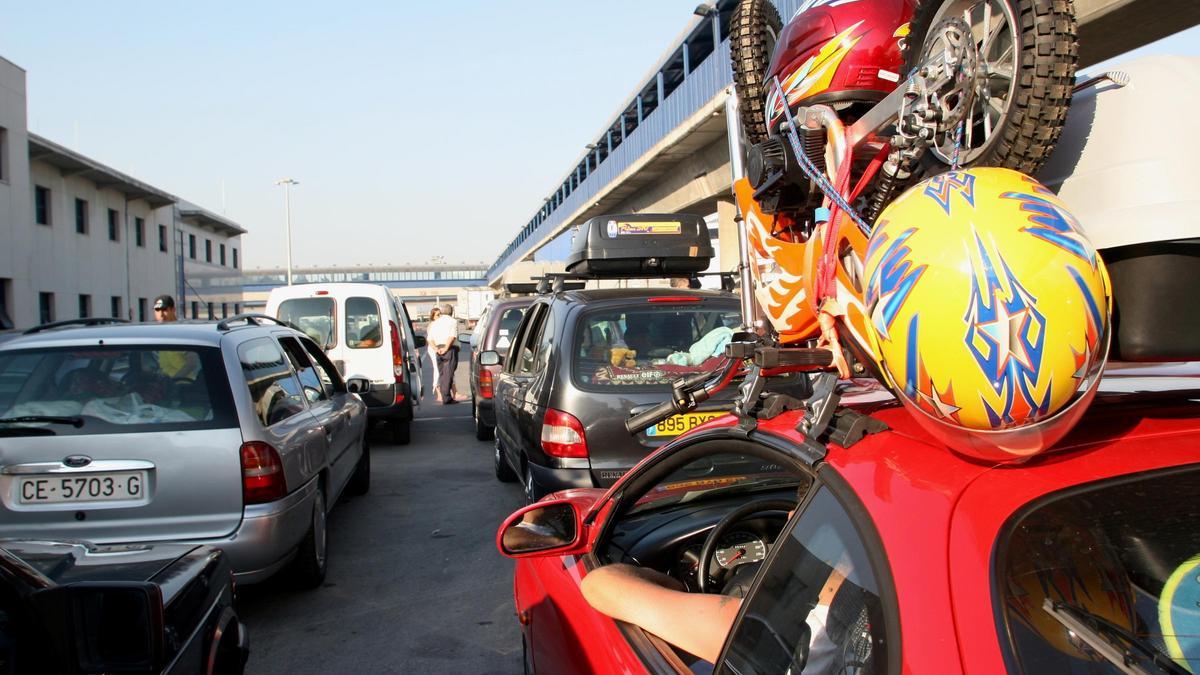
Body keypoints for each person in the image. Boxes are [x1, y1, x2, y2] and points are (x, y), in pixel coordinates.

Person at [427, 303, 463, 404]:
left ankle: (444, 396)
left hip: (438, 349)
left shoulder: (435, 322)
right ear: (452, 312)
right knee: (449, 373)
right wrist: (446, 348)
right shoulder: (453, 321)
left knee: (442, 373)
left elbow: (429, 339)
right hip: (449, 349)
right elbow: (452, 336)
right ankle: (446, 397)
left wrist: (436, 349)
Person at [426, 307, 442, 402]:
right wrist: (436, 349)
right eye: (437, 315)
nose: (439, 316)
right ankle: (437, 392)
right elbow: (430, 339)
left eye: (440, 314)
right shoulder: (432, 325)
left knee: (441, 369)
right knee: (437, 369)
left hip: (439, 348)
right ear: (433, 316)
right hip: (433, 349)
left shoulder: (439, 324)